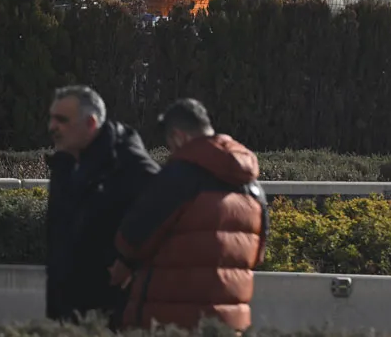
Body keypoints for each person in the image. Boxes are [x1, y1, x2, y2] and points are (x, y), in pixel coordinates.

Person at [110, 98, 269, 331]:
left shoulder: (178, 178)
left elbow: (133, 239)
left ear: (178, 137)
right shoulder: (253, 188)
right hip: (228, 326)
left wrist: (121, 265)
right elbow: (259, 254)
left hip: (171, 322)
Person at [45, 84, 160, 325]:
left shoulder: (127, 162)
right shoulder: (65, 163)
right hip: (66, 309)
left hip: (110, 310)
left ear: (90, 123)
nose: (52, 127)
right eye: (52, 118)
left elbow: (163, 212)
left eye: (62, 120)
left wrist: (128, 262)